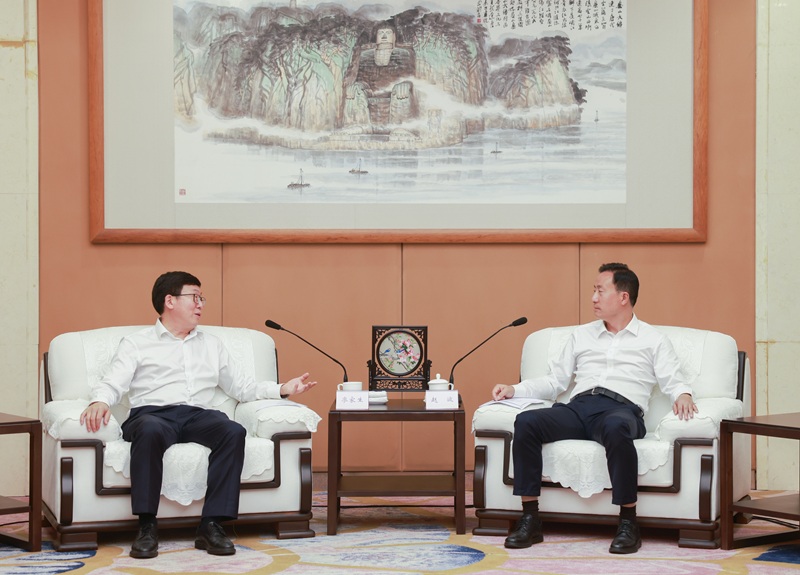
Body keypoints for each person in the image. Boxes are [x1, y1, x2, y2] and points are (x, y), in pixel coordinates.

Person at [79, 271, 317, 559]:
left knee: (232, 431)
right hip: (152, 414)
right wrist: (99, 401)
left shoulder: (211, 344)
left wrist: (282, 389)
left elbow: (241, 387)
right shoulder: (136, 343)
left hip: (197, 416)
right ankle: (147, 525)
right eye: (194, 297)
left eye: (202, 298)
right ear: (170, 301)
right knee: (150, 430)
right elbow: (113, 381)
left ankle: (211, 524)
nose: (201, 304)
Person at [491, 263, 697, 554]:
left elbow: (673, 379)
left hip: (621, 410)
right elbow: (555, 381)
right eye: (594, 291)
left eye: (600, 291)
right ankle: (530, 519)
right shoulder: (581, 335)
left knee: (615, 427)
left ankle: (628, 522)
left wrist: (683, 394)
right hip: (579, 408)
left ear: (623, 297)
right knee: (527, 421)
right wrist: (515, 389)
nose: (594, 298)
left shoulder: (653, 340)